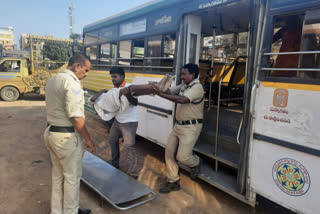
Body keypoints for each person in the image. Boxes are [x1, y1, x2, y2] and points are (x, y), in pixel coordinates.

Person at [44, 54, 95, 214]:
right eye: (86, 70)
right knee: (72, 179)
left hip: (51, 133)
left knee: (58, 176)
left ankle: (57, 211)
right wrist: (88, 139)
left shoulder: (52, 80)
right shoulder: (71, 83)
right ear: (77, 66)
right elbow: (75, 116)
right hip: (66, 138)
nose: (86, 74)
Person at [154, 63, 204, 194]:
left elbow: (182, 100)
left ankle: (196, 162)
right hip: (178, 126)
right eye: (181, 74)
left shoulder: (197, 87)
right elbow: (170, 91)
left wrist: (161, 95)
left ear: (192, 75)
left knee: (182, 157)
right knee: (169, 153)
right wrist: (161, 86)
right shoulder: (184, 86)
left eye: (184, 74)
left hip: (191, 127)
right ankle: (173, 181)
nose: (182, 77)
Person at [90, 67, 140, 178]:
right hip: (118, 120)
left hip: (129, 121)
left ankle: (132, 171)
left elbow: (135, 102)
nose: (113, 79)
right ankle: (115, 164)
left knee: (129, 146)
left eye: (115, 77)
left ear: (122, 76)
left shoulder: (129, 87)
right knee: (112, 140)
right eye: (111, 77)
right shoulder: (114, 89)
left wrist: (126, 93)